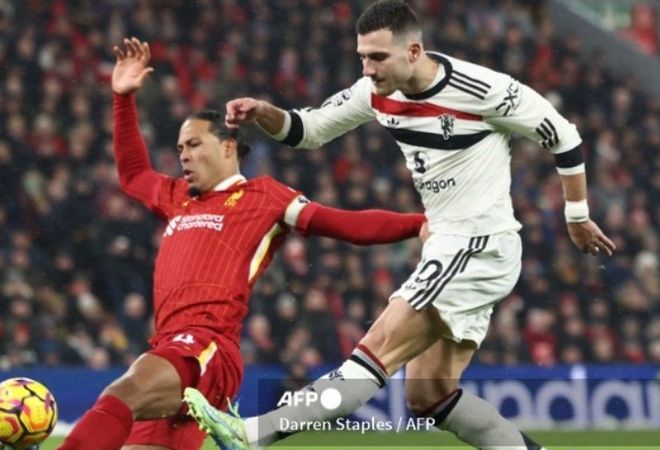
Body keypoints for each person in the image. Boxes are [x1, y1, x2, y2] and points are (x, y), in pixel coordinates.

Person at [183, 1, 616, 449]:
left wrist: (577, 215)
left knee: (378, 345)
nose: (368, 69)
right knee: (428, 395)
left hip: (476, 245)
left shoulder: (483, 89)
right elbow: (306, 130)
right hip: (451, 246)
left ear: (413, 50)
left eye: (378, 57)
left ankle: (252, 434)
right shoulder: (374, 92)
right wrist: (262, 112)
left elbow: (562, 133)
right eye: (362, 58)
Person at [52, 37, 427, 450]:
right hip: (172, 348)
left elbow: (345, 224)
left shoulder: (264, 196)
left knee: (121, 395)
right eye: (179, 148)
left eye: (194, 144)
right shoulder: (178, 198)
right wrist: (123, 99)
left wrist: (419, 224)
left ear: (228, 147)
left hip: (206, 346)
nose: (184, 156)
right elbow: (134, 174)